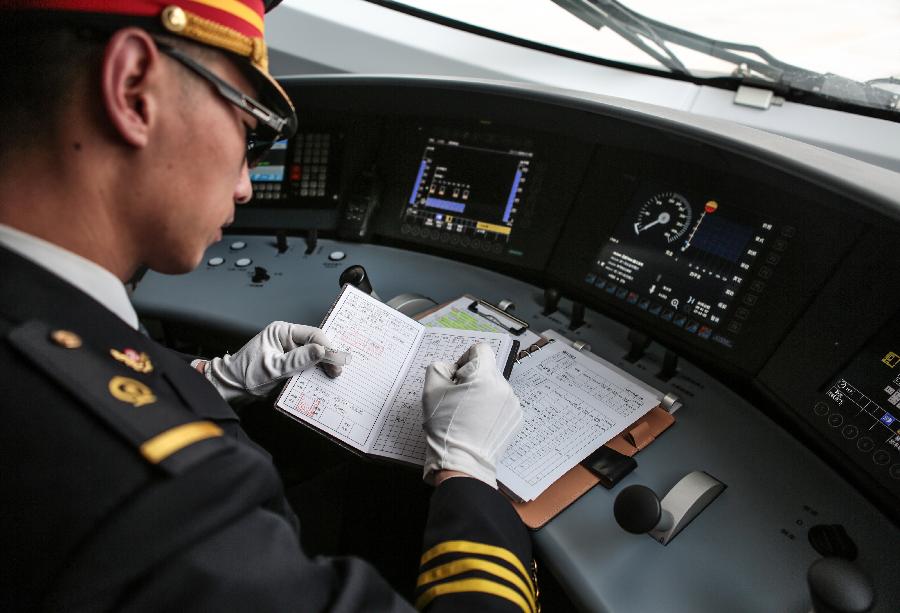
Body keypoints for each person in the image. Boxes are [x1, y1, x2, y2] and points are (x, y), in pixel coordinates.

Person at [0, 1, 534, 611]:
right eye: (252, 131)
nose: (246, 186)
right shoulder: (154, 502)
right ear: (132, 89)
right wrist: (467, 474)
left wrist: (209, 379)